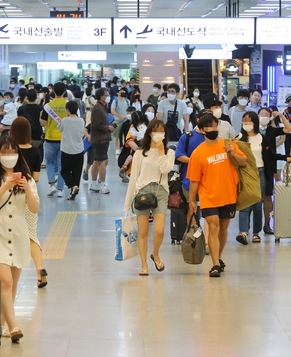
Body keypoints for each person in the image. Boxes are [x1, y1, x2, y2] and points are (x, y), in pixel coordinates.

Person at [0, 136, 39, 342]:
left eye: (13, 152)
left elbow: (34, 208)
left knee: (12, 284)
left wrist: (27, 187)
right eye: (4, 152)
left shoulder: (28, 179)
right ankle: (14, 327)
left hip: (19, 235)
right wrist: (5, 186)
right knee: (4, 281)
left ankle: (2, 324)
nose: (9, 156)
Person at [187, 114, 247, 277]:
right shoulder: (198, 153)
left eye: (215, 126)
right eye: (209, 127)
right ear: (201, 130)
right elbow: (194, 180)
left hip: (228, 194)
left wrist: (232, 153)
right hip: (208, 197)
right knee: (213, 226)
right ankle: (214, 264)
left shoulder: (228, 144)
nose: (213, 129)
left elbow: (243, 162)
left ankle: (218, 257)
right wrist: (191, 201)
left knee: (223, 229)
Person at [124, 120, 175, 276]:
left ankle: (156, 253)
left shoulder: (169, 152)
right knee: (143, 232)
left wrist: (160, 152)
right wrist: (128, 202)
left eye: (161, 131)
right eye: (155, 131)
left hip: (161, 192)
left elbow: (165, 169)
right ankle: (144, 264)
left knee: (159, 231)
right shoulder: (140, 153)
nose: (158, 134)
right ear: (149, 133)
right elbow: (134, 178)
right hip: (142, 191)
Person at [9, 117, 46, 288]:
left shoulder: (9, 151)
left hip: (10, 191)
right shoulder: (35, 151)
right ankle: (40, 269)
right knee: (31, 234)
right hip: (30, 190)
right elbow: (37, 177)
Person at [257, 108, 291, 234]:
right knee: (254, 197)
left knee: (268, 196)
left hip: (269, 166)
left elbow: (288, 129)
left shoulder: (271, 130)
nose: (264, 117)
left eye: (267, 115)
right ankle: (252, 228)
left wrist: (281, 116)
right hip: (254, 166)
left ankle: (267, 225)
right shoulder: (252, 131)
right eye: (262, 114)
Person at [234, 111, 268, 245]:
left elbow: (268, 156)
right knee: (244, 203)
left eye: (249, 122)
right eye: (244, 122)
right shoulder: (239, 138)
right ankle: (243, 232)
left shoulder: (262, 138)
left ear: (255, 122)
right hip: (244, 172)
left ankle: (256, 232)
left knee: (257, 204)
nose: (246, 125)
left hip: (259, 171)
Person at [40, 82, 67, 198]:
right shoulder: (68, 105)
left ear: (53, 92)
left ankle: (52, 186)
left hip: (50, 138)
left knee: (50, 163)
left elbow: (43, 122)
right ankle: (60, 189)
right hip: (63, 138)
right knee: (62, 165)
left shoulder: (47, 106)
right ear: (65, 92)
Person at [89, 88, 115, 194]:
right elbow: (97, 125)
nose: (108, 96)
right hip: (100, 139)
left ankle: (94, 184)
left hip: (101, 138)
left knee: (96, 161)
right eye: (106, 95)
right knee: (103, 161)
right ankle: (103, 185)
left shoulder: (102, 107)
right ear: (101, 97)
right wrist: (108, 128)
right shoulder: (97, 109)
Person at [58, 101, 85, 200]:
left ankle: (73, 187)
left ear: (68, 110)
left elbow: (60, 129)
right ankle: (73, 193)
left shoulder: (65, 120)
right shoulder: (81, 120)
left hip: (67, 150)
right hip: (79, 150)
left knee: (64, 171)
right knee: (76, 173)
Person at [111, 87, 130, 154]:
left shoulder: (127, 101)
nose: (122, 93)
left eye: (123, 91)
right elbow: (112, 111)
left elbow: (129, 109)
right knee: (116, 135)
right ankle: (117, 149)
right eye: (120, 92)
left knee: (125, 135)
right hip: (118, 121)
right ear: (117, 93)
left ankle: (124, 147)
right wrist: (120, 116)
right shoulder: (115, 101)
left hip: (126, 121)